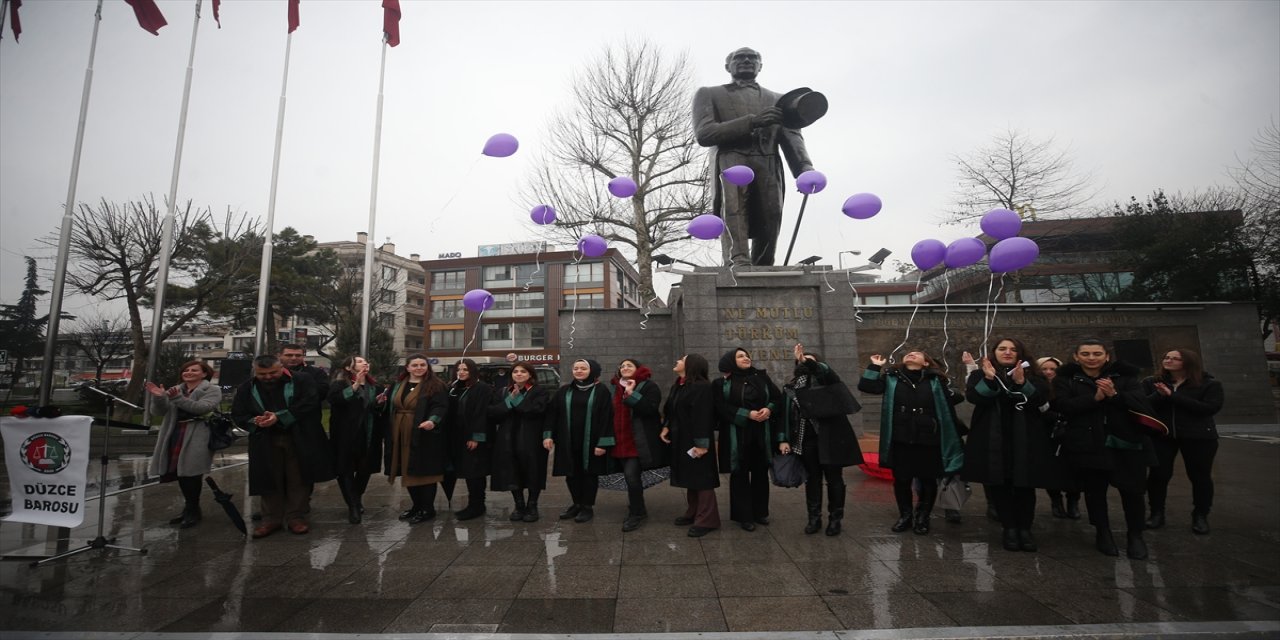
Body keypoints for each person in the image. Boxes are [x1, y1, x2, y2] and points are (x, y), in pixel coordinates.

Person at [692, 47, 814, 266]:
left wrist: (804, 169)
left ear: (761, 66)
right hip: (731, 160)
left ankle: (764, 266)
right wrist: (752, 121)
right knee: (734, 210)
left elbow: (793, 137)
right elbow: (705, 133)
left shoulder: (779, 99)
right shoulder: (709, 94)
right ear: (727, 66)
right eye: (739, 57)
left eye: (753, 58)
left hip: (768, 160)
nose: (746, 60)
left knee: (772, 216)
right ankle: (737, 262)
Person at [1052, 339, 1157, 559]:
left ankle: (1135, 535)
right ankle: (1103, 532)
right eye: (1086, 353)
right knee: (1094, 492)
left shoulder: (1126, 377)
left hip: (1125, 444)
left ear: (1107, 356)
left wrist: (1115, 396)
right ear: (1076, 357)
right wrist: (1094, 398)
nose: (1092, 358)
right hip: (1088, 444)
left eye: (1097, 353)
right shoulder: (1066, 379)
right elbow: (1063, 406)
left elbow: (1142, 404)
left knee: (1133, 492)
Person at [963, 338, 1058, 552]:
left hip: (1025, 436)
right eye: (1002, 349)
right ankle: (1009, 528)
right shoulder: (981, 374)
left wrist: (1022, 383)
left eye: (1013, 349)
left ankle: (1025, 529)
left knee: (1024, 485)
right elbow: (975, 397)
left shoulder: (1034, 375)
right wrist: (988, 379)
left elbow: (1041, 401)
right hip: (994, 437)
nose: (1007, 352)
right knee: (1001, 484)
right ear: (994, 352)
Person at [858, 349, 964, 535]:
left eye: (917, 353)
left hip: (929, 438)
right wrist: (874, 366)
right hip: (901, 436)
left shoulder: (936, 381)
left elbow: (956, 398)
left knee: (928, 479)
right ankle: (905, 515)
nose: (911, 354)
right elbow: (867, 386)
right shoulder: (892, 378)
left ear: (926, 362)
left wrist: (944, 382)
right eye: (908, 353)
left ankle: (923, 515)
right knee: (902, 479)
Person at [231, 354, 332, 538]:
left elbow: (309, 403)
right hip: (265, 439)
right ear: (255, 372)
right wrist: (256, 421)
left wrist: (279, 417)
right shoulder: (247, 387)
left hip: (298, 437)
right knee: (269, 478)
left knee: (298, 477)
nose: (268, 377)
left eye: (272, 373)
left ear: (281, 368)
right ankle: (271, 519)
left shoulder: (301, 380)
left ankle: (296, 516)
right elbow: (238, 414)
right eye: (263, 374)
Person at [782, 343, 863, 536]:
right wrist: (784, 439)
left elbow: (826, 372)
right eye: (801, 361)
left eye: (811, 361)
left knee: (834, 479)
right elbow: (785, 416)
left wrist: (808, 362)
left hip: (831, 438)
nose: (805, 363)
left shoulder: (827, 381)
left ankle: (835, 519)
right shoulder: (791, 388)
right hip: (806, 440)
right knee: (812, 479)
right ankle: (814, 518)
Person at [1142, 348, 1224, 534]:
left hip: (1199, 437)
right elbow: (1143, 405)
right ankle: (1156, 513)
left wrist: (1173, 396)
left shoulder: (1208, 384)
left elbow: (1208, 408)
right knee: (1158, 475)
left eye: (1175, 358)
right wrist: (1159, 395)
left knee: (1200, 476)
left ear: (1187, 362)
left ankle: (1200, 515)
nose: (1169, 361)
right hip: (1162, 436)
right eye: (1167, 357)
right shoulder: (1152, 382)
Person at [714, 347, 784, 531]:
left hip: (762, 433)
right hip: (737, 435)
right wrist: (747, 414)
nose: (746, 358)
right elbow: (720, 407)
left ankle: (760, 512)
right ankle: (743, 516)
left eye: (746, 355)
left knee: (761, 473)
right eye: (740, 356)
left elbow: (777, 398)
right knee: (739, 474)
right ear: (730, 361)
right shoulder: (722, 383)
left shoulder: (761, 378)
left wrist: (768, 409)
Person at [146, 360, 222, 529]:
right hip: (174, 433)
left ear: (204, 373)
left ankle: (192, 509)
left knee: (192, 473)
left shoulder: (212, 390)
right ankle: (190, 507)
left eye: (194, 370)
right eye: (186, 370)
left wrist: (177, 398)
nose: (189, 372)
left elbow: (201, 408)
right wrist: (159, 397)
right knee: (180, 473)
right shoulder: (176, 389)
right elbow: (158, 412)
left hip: (197, 435)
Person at [544, 358, 615, 523]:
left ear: (592, 371)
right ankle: (576, 504)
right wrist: (548, 435)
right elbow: (552, 414)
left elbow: (607, 417)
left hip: (591, 441)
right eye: (576, 368)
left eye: (583, 368)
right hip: (568, 440)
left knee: (589, 474)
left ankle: (587, 507)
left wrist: (603, 443)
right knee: (571, 474)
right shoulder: (565, 391)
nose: (579, 371)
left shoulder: (601, 391)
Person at [661, 354, 721, 537]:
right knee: (690, 476)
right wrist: (666, 427)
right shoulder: (679, 385)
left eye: (682, 359)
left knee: (702, 478)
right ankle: (693, 512)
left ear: (691, 365)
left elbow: (703, 416)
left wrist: (702, 444)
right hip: (682, 438)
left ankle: (707, 520)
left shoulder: (701, 388)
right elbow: (670, 410)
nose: (677, 361)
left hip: (697, 440)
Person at [384, 355, 449, 524]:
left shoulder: (435, 385)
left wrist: (432, 420)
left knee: (424, 471)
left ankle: (427, 508)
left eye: (422, 365)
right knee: (407, 469)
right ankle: (416, 506)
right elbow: (389, 405)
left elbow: (440, 406)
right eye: (415, 365)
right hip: (399, 432)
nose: (419, 368)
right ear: (408, 367)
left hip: (423, 433)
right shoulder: (397, 384)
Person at [488, 362, 552, 522]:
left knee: (533, 471)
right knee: (512, 471)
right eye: (515, 371)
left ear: (530, 374)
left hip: (532, 438)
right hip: (508, 439)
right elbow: (493, 413)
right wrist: (510, 400)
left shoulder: (539, 391)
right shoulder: (503, 392)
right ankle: (519, 505)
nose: (519, 374)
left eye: (523, 371)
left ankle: (532, 505)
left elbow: (536, 410)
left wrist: (516, 401)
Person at [327, 355, 387, 524]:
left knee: (364, 468)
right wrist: (354, 386)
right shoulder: (339, 384)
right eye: (360, 361)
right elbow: (335, 400)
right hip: (345, 433)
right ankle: (353, 506)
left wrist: (379, 403)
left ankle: (355, 498)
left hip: (368, 433)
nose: (365, 363)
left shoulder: (375, 386)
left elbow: (375, 409)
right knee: (345, 469)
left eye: (366, 361)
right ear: (348, 367)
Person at [610, 358, 665, 532]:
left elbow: (650, 409)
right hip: (619, 440)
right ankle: (637, 507)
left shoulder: (649, 386)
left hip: (638, 441)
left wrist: (631, 393)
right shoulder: (613, 387)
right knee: (629, 477)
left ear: (638, 369)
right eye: (622, 366)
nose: (625, 367)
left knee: (631, 476)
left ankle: (637, 513)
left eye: (629, 365)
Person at [446, 359, 495, 521]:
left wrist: (476, 437)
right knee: (466, 471)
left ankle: (477, 505)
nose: (461, 372)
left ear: (472, 371)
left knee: (475, 472)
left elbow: (481, 414)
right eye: (458, 369)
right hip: (457, 437)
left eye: (465, 369)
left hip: (474, 438)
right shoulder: (454, 388)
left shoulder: (482, 388)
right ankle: (474, 504)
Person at [1037, 356, 1082, 520]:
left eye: (1052, 369)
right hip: (1046, 432)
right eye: (1045, 369)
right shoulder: (1037, 386)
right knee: (1052, 470)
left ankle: (1073, 501)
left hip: (1069, 432)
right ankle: (1056, 501)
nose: (1049, 372)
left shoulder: (1069, 385)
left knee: (1073, 469)